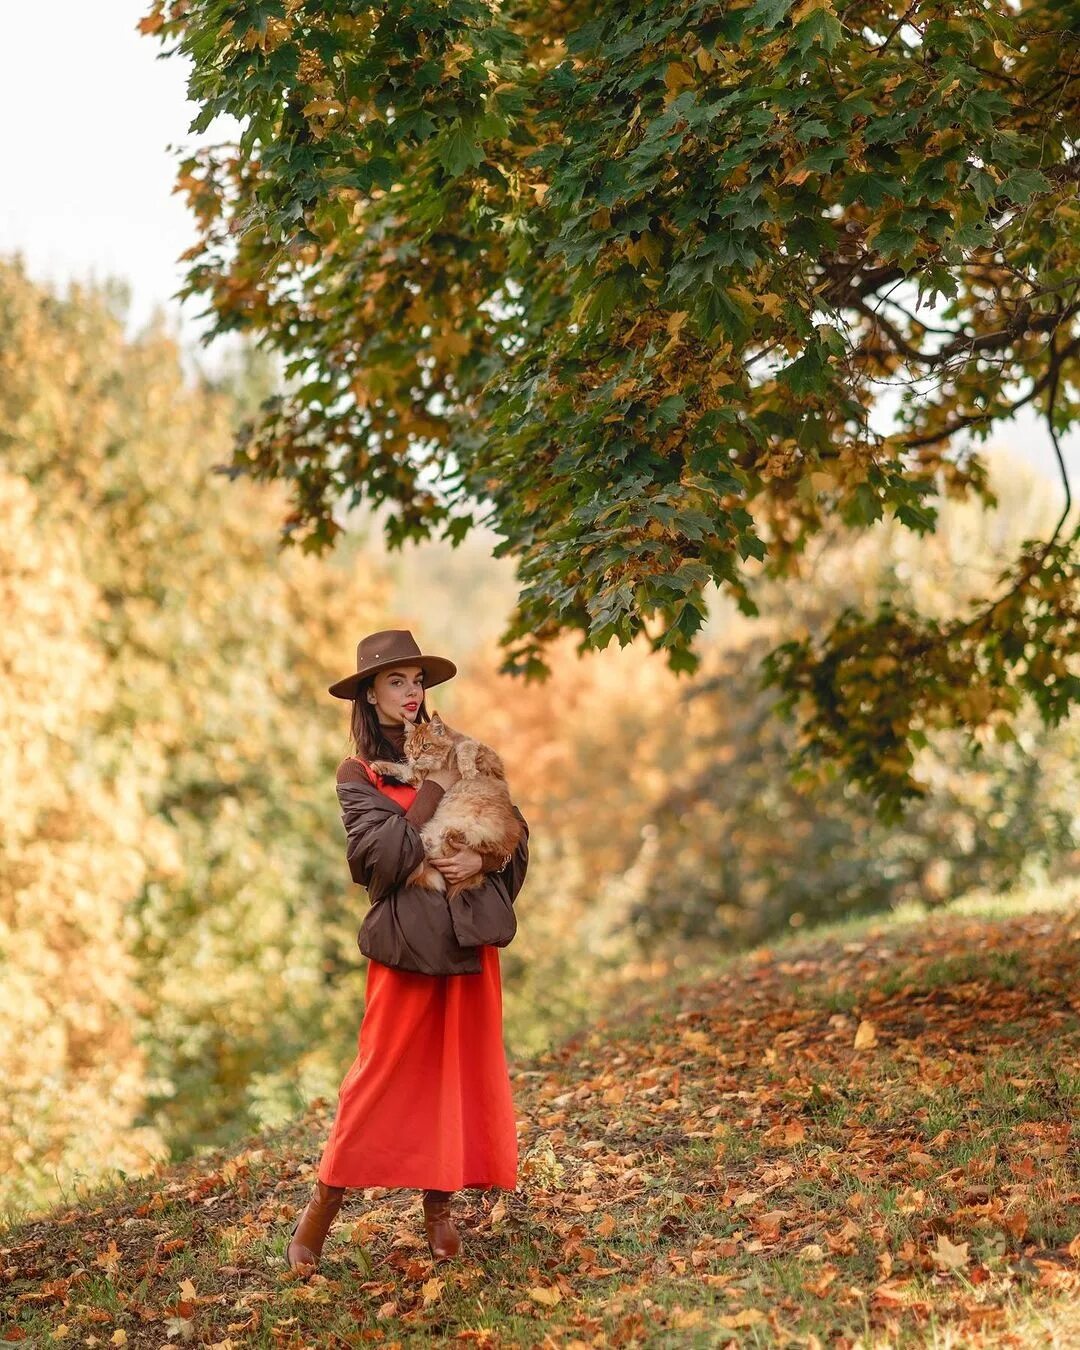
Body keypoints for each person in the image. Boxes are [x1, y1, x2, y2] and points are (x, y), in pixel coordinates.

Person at [285, 629, 529, 1272]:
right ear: (370, 693)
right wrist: (432, 786)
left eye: (418, 680)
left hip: (469, 937)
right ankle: (320, 1214)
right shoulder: (358, 775)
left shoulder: (464, 752)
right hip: (406, 945)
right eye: (396, 681)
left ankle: (439, 1212)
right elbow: (381, 858)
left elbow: (515, 833)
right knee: (380, 1073)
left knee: (455, 1073)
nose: (411, 692)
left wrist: (484, 852)